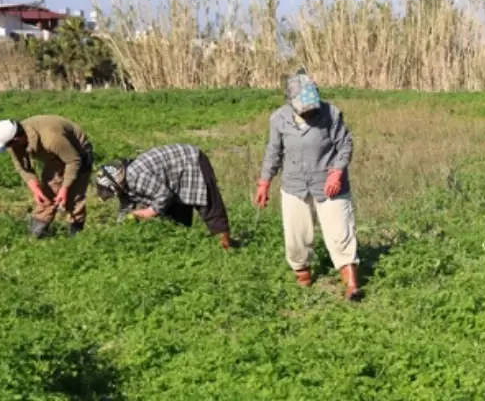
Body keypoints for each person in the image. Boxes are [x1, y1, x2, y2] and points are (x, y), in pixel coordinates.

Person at [255, 69, 362, 300]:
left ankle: (352, 285)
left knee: (340, 233)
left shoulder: (330, 113)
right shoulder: (279, 118)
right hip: (294, 184)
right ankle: (303, 279)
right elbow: (273, 152)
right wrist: (264, 183)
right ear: (291, 103)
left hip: (329, 183)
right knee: (296, 237)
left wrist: (336, 172)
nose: (310, 111)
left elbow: (345, 144)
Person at [93, 143, 236, 250]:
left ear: (115, 183)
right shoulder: (123, 184)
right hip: (174, 174)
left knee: (208, 205)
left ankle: (225, 247)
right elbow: (126, 207)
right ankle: (185, 247)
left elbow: (163, 195)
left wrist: (150, 212)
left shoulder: (135, 177)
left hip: (191, 161)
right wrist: (120, 229)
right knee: (176, 217)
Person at [0, 115, 94, 238]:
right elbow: (22, 167)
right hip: (54, 154)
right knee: (47, 192)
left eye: (8, 145)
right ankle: (36, 235)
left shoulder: (51, 139)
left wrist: (64, 189)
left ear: (17, 138)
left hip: (78, 151)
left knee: (75, 196)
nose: (8, 149)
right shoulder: (14, 143)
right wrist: (35, 189)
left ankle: (75, 237)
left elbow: (73, 160)